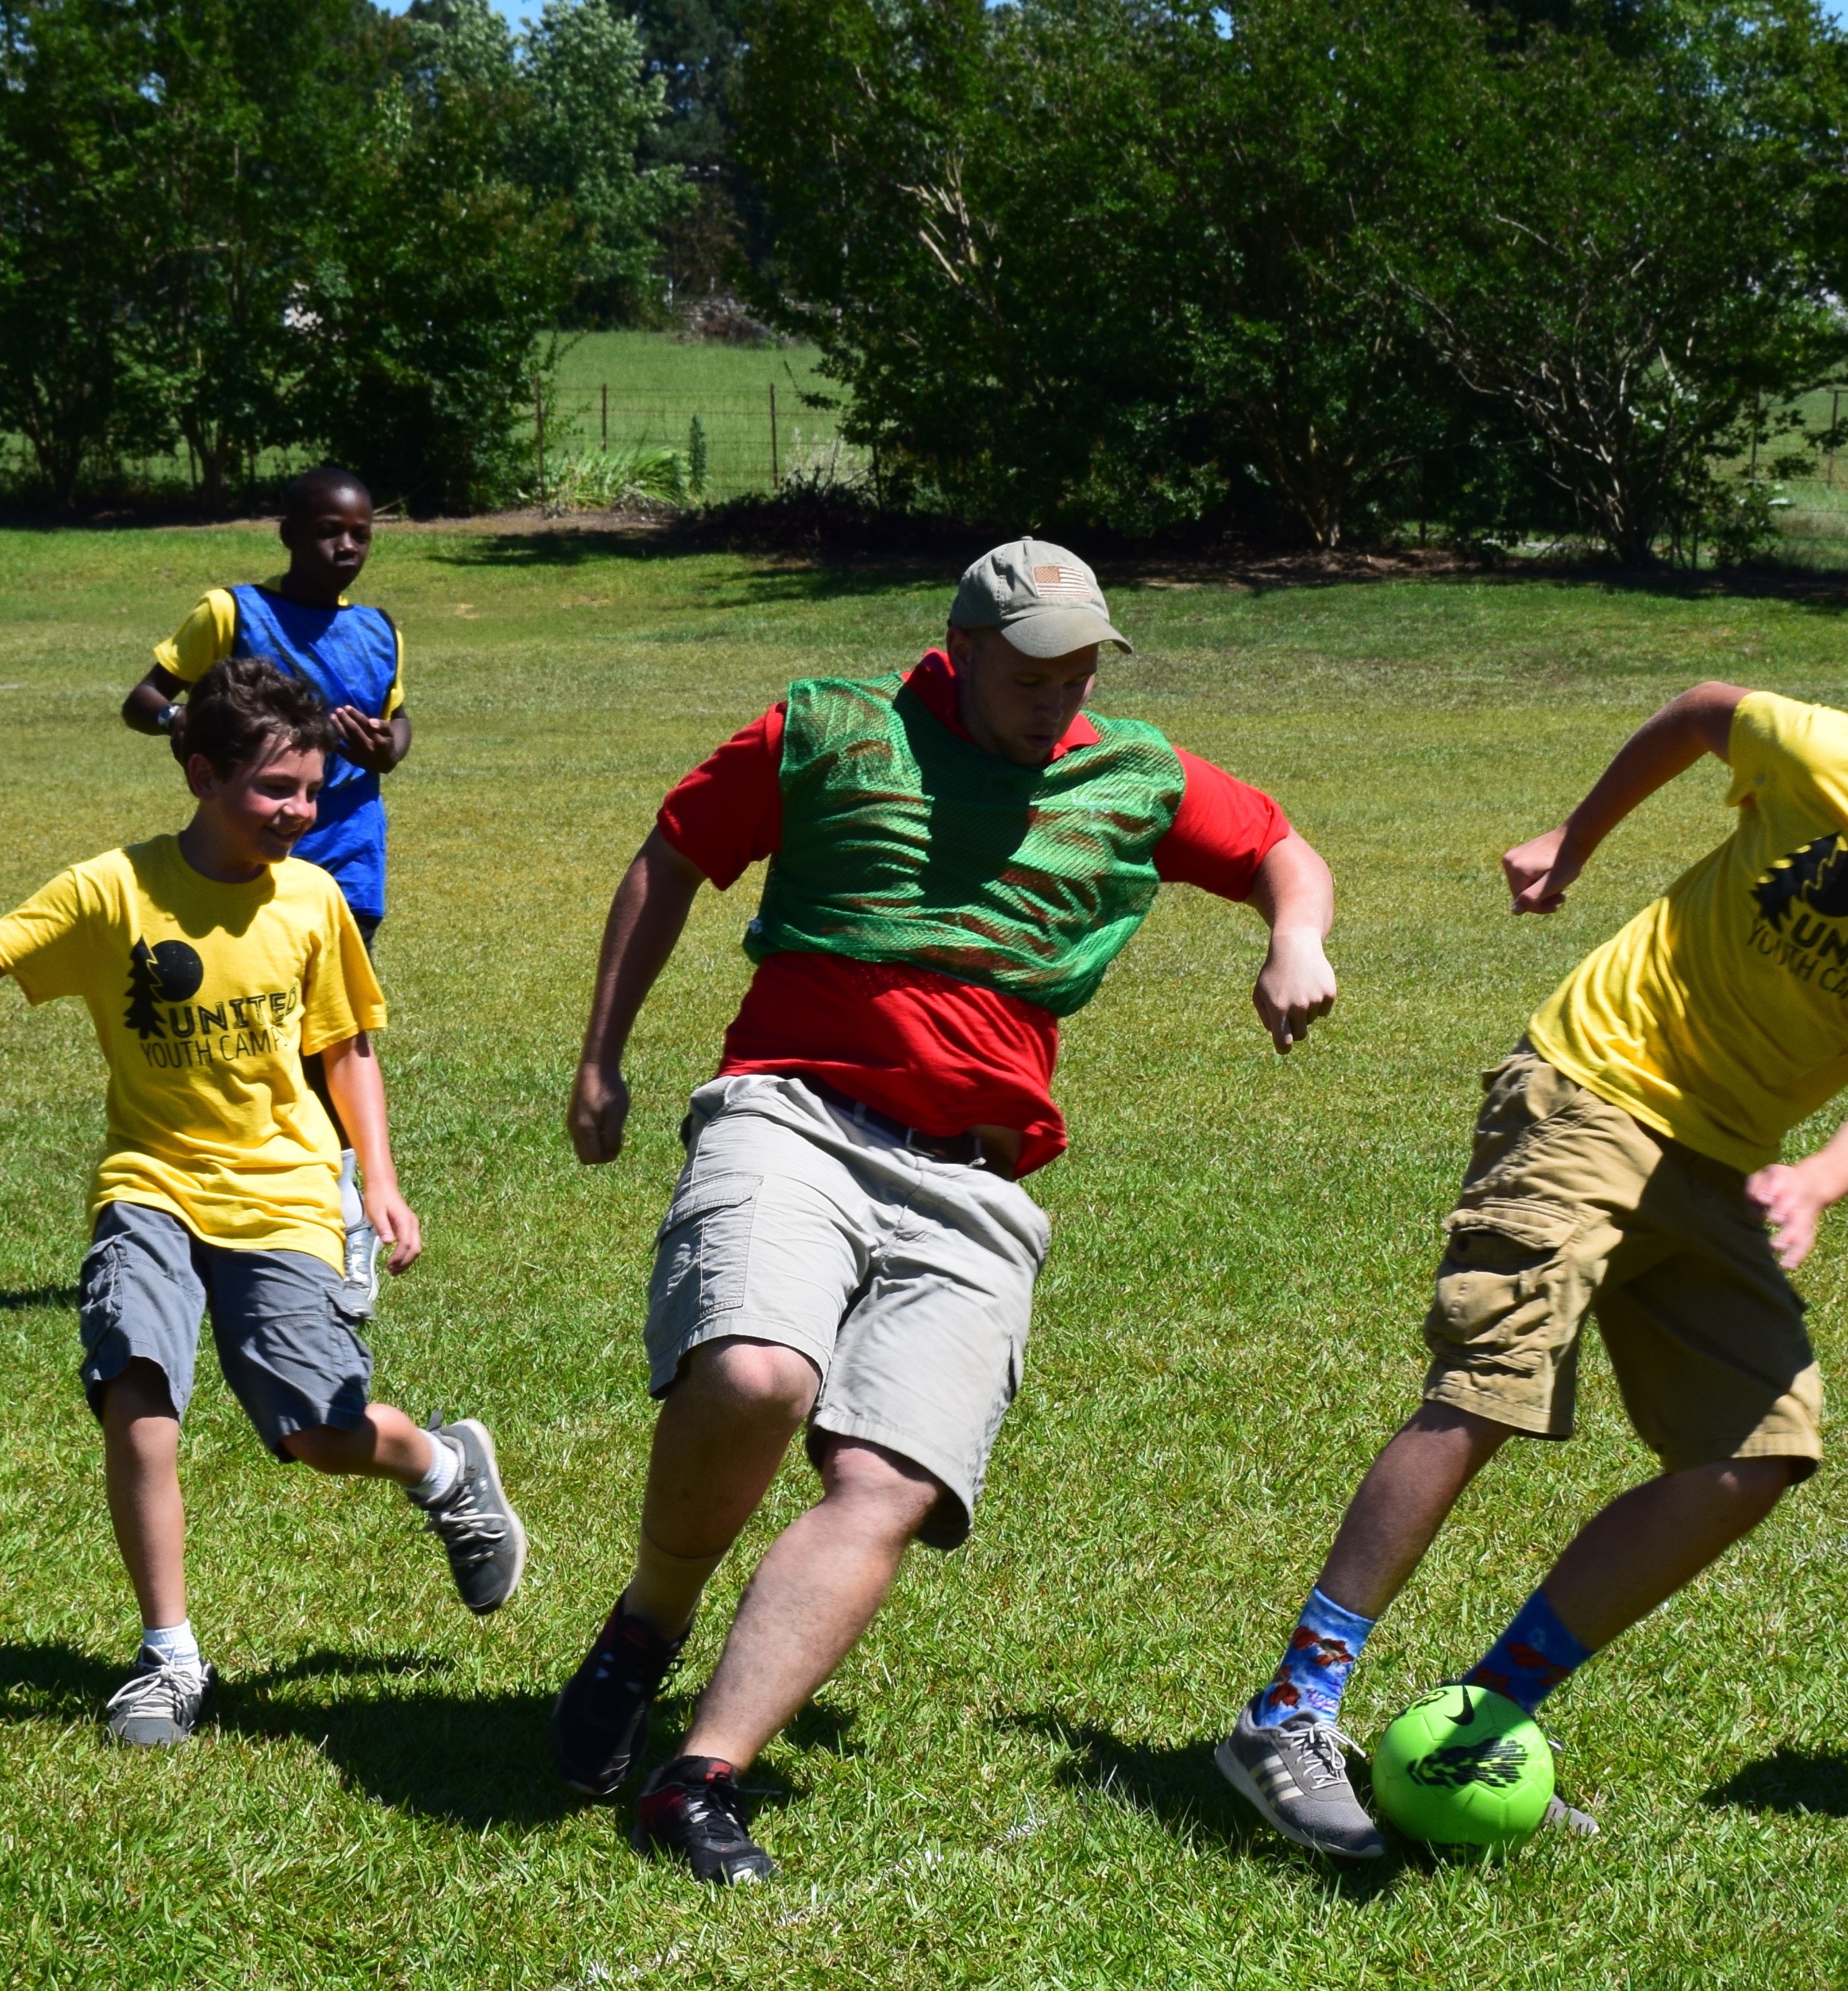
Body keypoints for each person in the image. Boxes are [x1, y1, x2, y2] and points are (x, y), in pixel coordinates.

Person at [1218, 660, 1848, 1859]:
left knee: (1758, 1453)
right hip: (1591, 1084)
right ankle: (1293, 1708)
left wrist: (1820, 1176)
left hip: (1730, 1161)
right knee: (1491, 1385)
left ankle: (1482, 1719)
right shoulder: (1825, 761)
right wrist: (1575, 840)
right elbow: (1700, 711)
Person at [556, 540, 1338, 1884]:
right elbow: (674, 853)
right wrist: (601, 1055)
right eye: (1035, 664)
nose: (1061, 688)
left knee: (893, 1479)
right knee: (754, 1374)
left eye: (1083, 660)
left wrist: (1295, 937)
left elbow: (1282, 849)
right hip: (795, 1110)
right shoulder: (827, 727)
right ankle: (650, 1621)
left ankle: (699, 1777)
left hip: (976, 1173)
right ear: (962, 647)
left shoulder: (1133, 767)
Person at [0, 655, 529, 1747]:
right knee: (136, 1385)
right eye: (275, 790)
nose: (299, 813)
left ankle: (444, 1464)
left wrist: (384, 1179)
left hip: (283, 1195)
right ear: (199, 772)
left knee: (317, 1436)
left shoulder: (314, 901)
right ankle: (169, 1657)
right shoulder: (115, 893)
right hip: (151, 1183)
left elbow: (346, 1048)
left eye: (312, 791)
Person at [125, 465, 410, 951]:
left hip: (351, 852)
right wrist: (176, 718)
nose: (347, 546)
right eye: (328, 531)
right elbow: (142, 702)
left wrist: (391, 749)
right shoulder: (232, 613)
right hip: (248, 847)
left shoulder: (379, 632)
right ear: (289, 534)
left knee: (340, 1011)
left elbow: (398, 719)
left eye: (361, 536)